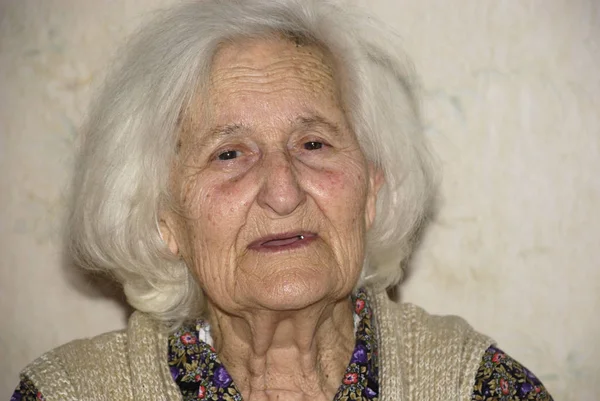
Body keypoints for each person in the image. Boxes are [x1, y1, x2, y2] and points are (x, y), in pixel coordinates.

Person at [11, 0, 554, 400]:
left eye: (313, 144)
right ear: (163, 217)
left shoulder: (473, 384)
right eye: (229, 154)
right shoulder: (71, 391)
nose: (283, 190)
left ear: (370, 188)